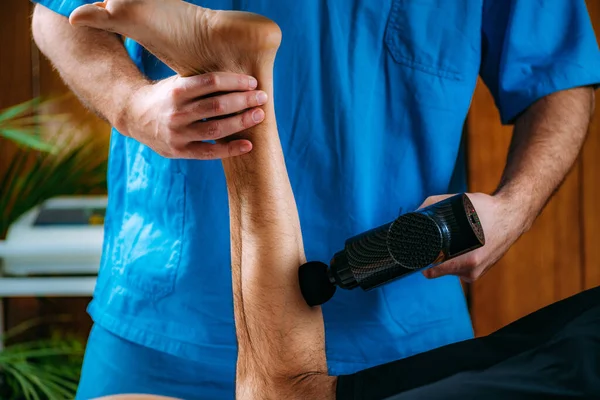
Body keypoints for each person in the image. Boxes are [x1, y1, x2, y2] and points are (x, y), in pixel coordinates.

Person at [30, 0, 600, 399]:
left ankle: (240, 61)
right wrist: (134, 107)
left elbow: (560, 72)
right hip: (168, 312)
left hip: (399, 321)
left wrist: (514, 208)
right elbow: (63, 13)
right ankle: (239, 62)